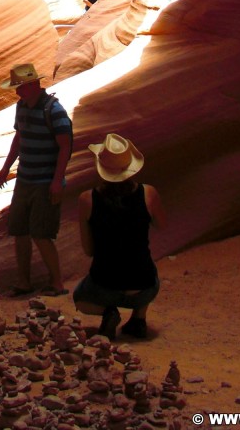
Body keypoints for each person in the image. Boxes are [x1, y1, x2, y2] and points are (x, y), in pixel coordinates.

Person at [73, 133, 166, 340]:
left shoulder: (87, 200)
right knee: (147, 270)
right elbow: (161, 225)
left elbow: (89, 250)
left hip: (104, 284)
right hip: (143, 285)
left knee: (80, 297)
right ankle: (138, 318)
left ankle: (109, 313)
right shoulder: (148, 193)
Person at [0, 62, 73, 296]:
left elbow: (65, 147)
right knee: (20, 230)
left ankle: (57, 283)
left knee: (41, 233)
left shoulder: (54, 111)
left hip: (44, 182)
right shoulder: (21, 107)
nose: (17, 92)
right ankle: (24, 282)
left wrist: (57, 181)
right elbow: (19, 138)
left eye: (20, 87)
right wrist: (6, 167)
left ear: (33, 84)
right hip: (24, 180)